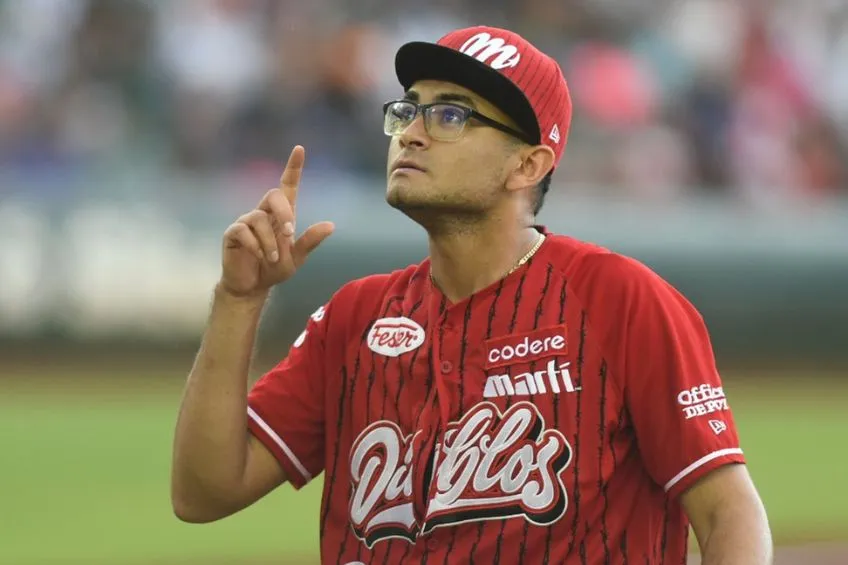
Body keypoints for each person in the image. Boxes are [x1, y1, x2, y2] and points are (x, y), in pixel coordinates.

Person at [171, 26, 773, 564]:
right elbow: (203, 493)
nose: (412, 132)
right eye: (409, 110)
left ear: (528, 165)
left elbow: (728, 514)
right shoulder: (356, 317)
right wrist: (238, 301)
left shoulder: (617, 298)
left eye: (451, 115)